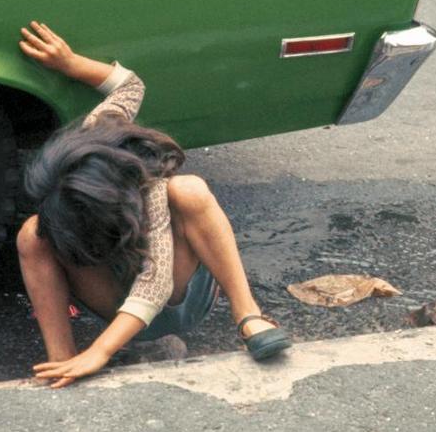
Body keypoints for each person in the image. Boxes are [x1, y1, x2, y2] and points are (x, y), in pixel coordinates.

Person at [15, 21, 291, 388]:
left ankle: (248, 315)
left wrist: (100, 352)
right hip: (110, 299)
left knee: (190, 190)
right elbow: (130, 85)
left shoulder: (153, 191)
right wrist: (69, 64)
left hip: (174, 301)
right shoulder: (100, 131)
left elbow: (155, 284)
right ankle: (61, 359)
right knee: (32, 233)